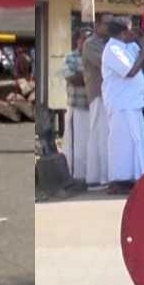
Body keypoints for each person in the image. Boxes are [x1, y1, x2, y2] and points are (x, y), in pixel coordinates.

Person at [101, 19, 144, 194]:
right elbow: (130, 72)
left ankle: (135, 178)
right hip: (121, 104)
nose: (133, 33)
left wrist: (140, 39)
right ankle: (119, 180)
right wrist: (143, 56)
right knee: (122, 144)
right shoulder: (113, 49)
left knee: (136, 142)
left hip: (132, 103)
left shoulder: (126, 46)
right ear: (123, 33)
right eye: (130, 31)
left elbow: (142, 47)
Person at [80, 13, 111, 187]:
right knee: (100, 137)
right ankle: (100, 177)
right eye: (107, 24)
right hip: (98, 95)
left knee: (108, 137)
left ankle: (107, 175)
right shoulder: (91, 44)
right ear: (97, 25)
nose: (109, 27)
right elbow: (106, 64)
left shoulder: (108, 43)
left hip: (109, 97)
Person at [62, 28, 92, 181]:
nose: (85, 42)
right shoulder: (70, 57)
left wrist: (85, 77)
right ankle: (75, 175)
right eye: (83, 39)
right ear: (77, 41)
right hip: (77, 107)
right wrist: (90, 77)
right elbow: (72, 78)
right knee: (76, 145)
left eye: (88, 39)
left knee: (91, 144)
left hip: (93, 107)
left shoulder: (93, 56)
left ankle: (89, 175)